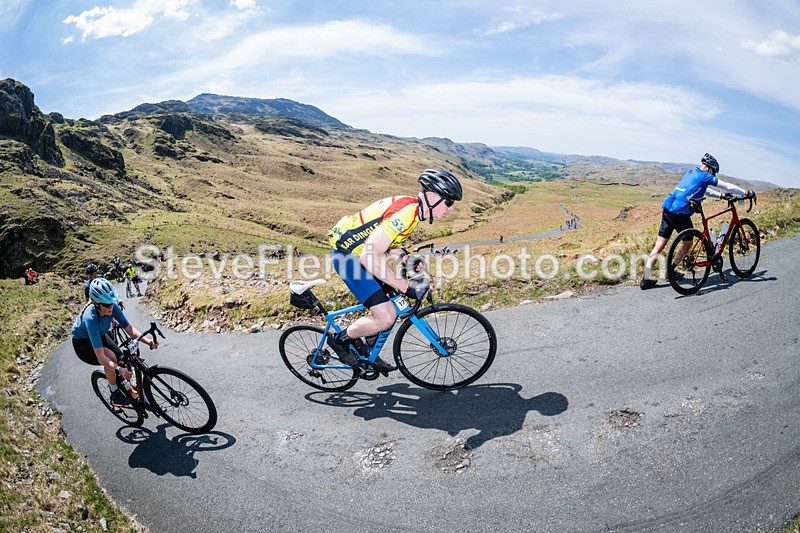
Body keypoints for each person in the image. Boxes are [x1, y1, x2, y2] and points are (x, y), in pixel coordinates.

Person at [326, 168, 462, 372]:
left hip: (361, 255)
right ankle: (340, 340)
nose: (450, 209)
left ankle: (367, 355)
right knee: (387, 316)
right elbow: (369, 255)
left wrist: (405, 259)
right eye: (449, 202)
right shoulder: (406, 213)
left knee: (390, 301)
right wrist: (406, 287)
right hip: (350, 259)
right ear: (433, 197)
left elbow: (386, 242)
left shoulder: (413, 211)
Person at [640, 153, 753, 289]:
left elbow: (704, 190)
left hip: (668, 208)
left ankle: (645, 279)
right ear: (711, 170)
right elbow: (727, 186)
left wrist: (721, 196)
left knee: (659, 245)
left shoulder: (691, 172)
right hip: (680, 212)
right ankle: (671, 271)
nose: (713, 175)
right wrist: (745, 193)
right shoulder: (706, 175)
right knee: (688, 243)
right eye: (714, 173)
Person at [71, 278, 158, 406]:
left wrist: (148, 341)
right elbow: (101, 357)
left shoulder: (112, 306)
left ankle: (128, 386)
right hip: (83, 343)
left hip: (100, 335)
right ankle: (114, 391)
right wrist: (118, 369)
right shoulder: (91, 318)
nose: (110, 307)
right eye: (106, 305)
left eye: (111, 302)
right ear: (96, 304)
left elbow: (129, 329)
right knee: (111, 358)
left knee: (123, 359)